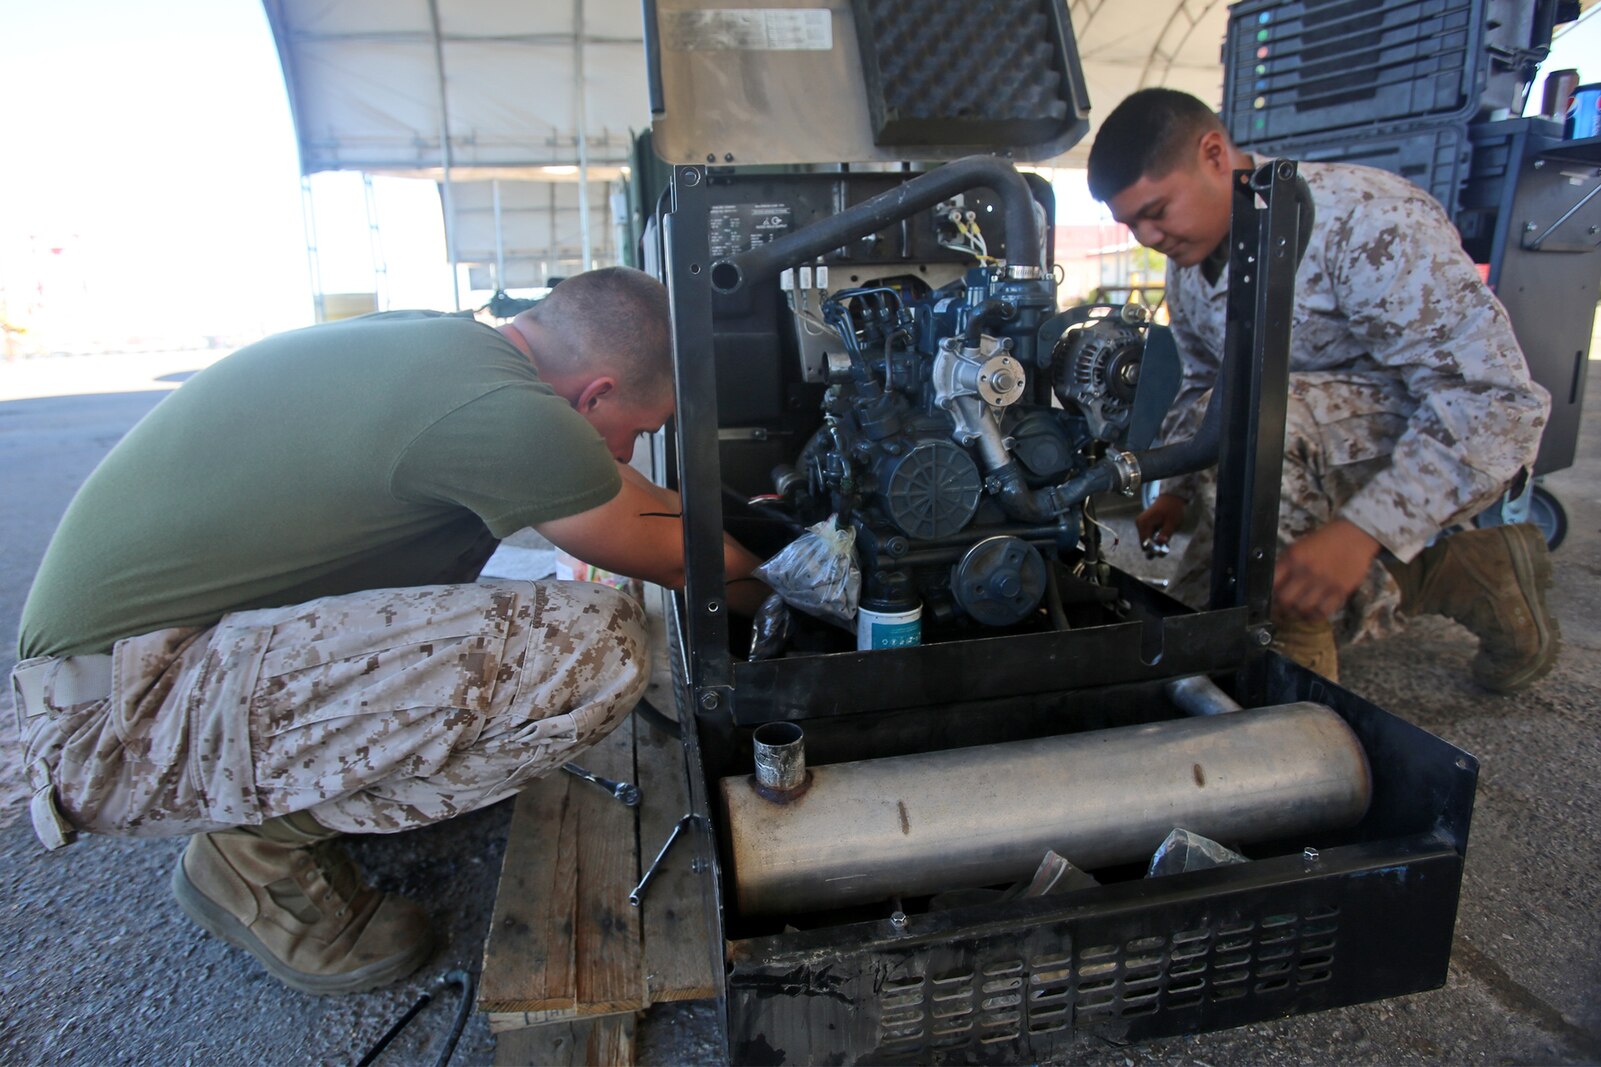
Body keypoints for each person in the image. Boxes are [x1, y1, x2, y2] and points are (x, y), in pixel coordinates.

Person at [10, 266, 765, 995]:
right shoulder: (499, 408)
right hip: (110, 723)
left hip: (122, 671)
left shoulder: (451, 349)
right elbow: (675, 558)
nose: (631, 451)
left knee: (506, 617)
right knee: (594, 646)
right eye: (637, 429)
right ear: (596, 391)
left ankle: (294, 791)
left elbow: (618, 491)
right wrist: (792, 573)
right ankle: (256, 855)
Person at [1085, 88, 1557, 689]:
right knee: (1196, 623)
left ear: (1213, 154)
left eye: (1155, 211)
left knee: (1268, 434)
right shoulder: (1194, 255)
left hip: (1442, 442)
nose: (1147, 238)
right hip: (1296, 448)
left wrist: (1364, 532)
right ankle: (1468, 574)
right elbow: (1203, 382)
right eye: (1130, 224)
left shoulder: (1367, 218)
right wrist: (1178, 486)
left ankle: (1295, 680)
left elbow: (1496, 402)